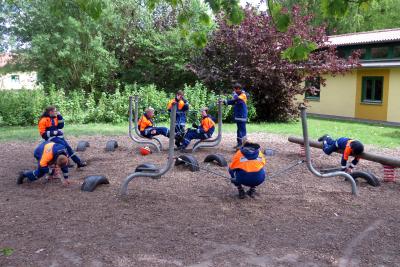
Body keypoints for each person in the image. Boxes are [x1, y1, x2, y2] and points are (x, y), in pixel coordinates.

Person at [223, 83, 248, 149]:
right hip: (238, 116)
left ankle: (243, 145)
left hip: (242, 116)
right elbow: (233, 101)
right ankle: (239, 143)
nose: (234, 91)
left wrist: (234, 94)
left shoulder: (243, 95)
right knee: (239, 130)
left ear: (238, 89)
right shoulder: (238, 95)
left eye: (235, 90)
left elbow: (236, 99)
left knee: (242, 131)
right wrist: (224, 102)